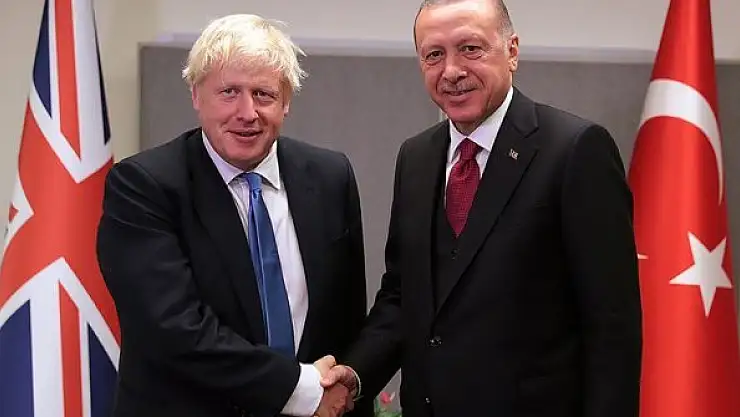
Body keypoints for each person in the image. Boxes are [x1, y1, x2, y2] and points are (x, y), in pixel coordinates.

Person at [322, 1, 642, 416]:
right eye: (434, 54)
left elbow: (612, 327)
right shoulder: (416, 157)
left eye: (470, 48)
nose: (452, 71)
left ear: (512, 51)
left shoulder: (575, 150)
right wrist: (356, 373)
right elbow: (404, 295)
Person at [97, 14, 369, 417]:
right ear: (196, 95)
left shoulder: (330, 177)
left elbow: (347, 321)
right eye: (229, 92)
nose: (247, 112)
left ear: (286, 102)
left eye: (263, 94)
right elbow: (173, 329)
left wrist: (342, 390)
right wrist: (300, 388)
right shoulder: (143, 186)